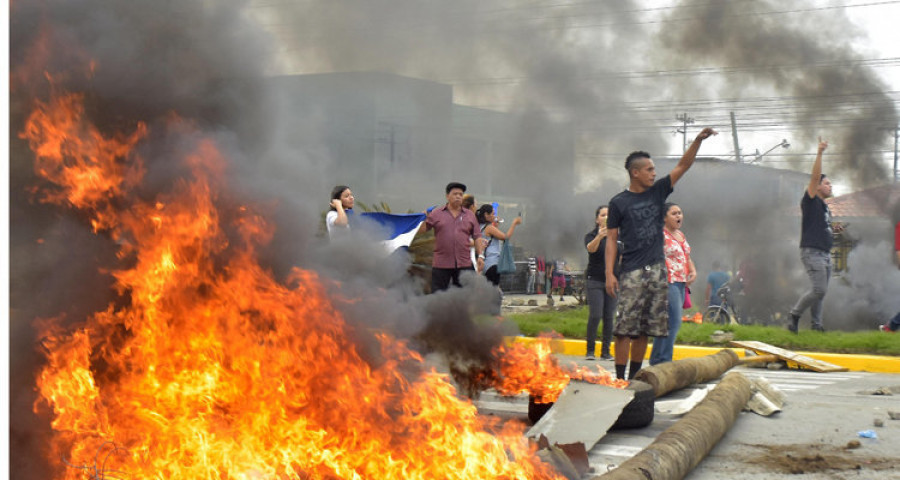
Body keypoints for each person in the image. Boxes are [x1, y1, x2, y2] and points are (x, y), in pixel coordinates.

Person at [605, 127, 717, 380]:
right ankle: (620, 378)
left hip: (657, 271)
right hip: (632, 271)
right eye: (649, 169)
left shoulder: (658, 192)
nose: (654, 173)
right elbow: (611, 239)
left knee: (645, 329)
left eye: (655, 169)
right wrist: (609, 273)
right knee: (624, 329)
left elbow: (683, 166)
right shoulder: (618, 203)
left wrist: (697, 141)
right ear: (635, 172)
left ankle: (635, 377)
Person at [788, 138, 842, 333]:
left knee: (821, 294)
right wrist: (820, 153)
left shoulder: (824, 207)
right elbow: (814, 177)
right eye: (827, 183)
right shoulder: (810, 200)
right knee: (819, 289)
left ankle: (816, 326)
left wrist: (834, 230)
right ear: (817, 186)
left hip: (825, 253)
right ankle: (794, 315)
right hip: (812, 252)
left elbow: (822, 226)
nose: (830, 186)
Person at [649, 203, 696, 366]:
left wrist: (693, 271)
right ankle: (664, 360)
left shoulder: (680, 235)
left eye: (680, 213)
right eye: (674, 213)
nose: (678, 216)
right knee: (674, 321)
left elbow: (687, 255)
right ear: (664, 217)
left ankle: (658, 359)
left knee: (667, 322)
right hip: (667, 282)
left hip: (681, 283)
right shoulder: (659, 235)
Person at [424, 182, 484, 292]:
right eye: (455, 194)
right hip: (441, 263)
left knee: (466, 296)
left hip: (464, 263)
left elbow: (477, 236)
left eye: (461, 194)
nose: (458, 196)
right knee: (438, 296)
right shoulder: (436, 214)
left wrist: (480, 255)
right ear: (447, 196)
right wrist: (422, 218)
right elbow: (422, 229)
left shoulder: (470, 215)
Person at [584, 205, 617, 360]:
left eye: (609, 215)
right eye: (603, 215)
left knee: (609, 317)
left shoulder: (618, 236)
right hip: (595, 280)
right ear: (597, 219)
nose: (606, 217)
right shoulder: (591, 235)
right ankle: (590, 350)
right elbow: (590, 249)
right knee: (596, 315)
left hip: (612, 282)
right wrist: (599, 236)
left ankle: (606, 351)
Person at [475, 204, 522, 286]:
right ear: (486, 215)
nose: (494, 216)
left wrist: (496, 226)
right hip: (492, 263)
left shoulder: (480, 227)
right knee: (493, 290)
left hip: (485, 264)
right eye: (493, 214)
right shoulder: (489, 228)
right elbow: (506, 237)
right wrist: (514, 224)